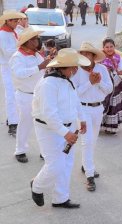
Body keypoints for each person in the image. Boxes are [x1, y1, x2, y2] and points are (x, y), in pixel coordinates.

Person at [31, 48, 90, 208]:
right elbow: (49, 114)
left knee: (67, 164)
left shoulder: (66, 80)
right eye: (74, 67)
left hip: (68, 127)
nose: (76, 70)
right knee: (55, 164)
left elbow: (75, 101)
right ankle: (37, 186)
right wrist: (65, 133)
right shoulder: (48, 84)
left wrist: (81, 119)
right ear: (65, 67)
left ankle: (60, 198)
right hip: (48, 130)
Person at [71, 42, 112, 191]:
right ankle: (89, 174)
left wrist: (98, 82)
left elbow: (109, 89)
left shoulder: (102, 69)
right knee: (87, 141)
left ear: (94, 56)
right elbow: (74, 94)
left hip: (98, 108)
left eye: (88, 53)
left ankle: (85, 164)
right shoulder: (76, 72)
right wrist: (90, 82)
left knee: (93, 140)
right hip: (82, 109)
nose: (85, 56)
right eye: (82, 53)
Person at [10, 27, 50, 163]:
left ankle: (44, 151)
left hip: (40, 94)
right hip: (25, 95)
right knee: (25, 124)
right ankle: (20, 150)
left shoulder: (36, 54)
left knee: (43, 124)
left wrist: (49, 64)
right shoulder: (17, 57)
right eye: (34, 39)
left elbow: (43, 71)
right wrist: (40, 67)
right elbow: (19, 74)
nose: (37, 42)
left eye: (37, 39)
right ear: (27, 42)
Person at [100, 38, 122, 134]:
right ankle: (99, 125)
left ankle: (110, 126)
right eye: (107, 47)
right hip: (103, 84)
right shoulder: (99, 57)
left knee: (113, 105)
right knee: (104, 104)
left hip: (115, 83)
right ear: (103, 48)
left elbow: (119, 71)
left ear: (114, 47)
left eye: (111, 46)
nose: (109, 49)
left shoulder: (117, 57)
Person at [0, 10, 27, 136]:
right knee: (11, 94)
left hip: (14, 66)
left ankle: (11, 118)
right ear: (8, 21)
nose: (17, 23)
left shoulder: (12, 32)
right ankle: (13, 124)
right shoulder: (3, 34)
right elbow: (7, 52)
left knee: (16, 94)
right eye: (15, 21)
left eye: (17, 21)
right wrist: (21, 48)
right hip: (7, 66)